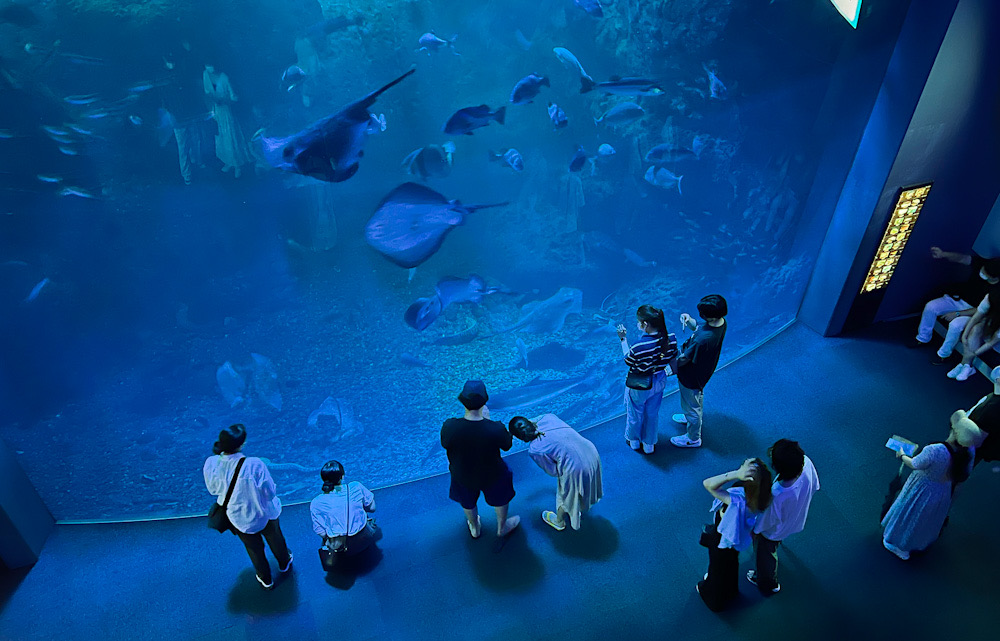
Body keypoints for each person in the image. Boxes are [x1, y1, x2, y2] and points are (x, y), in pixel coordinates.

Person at [881, 411, 982, 560]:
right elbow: (962, 477)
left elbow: (915, 464)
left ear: (954, 432)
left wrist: (902, 455)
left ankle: (897, 544)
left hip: (922, 488)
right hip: (942, 491)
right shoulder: (968, 454)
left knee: (909, 512)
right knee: (923, 518)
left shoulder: (935, 450)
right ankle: (914, 544)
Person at [203, 424, 292, 590]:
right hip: (265, 513)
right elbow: (269, 493)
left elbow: (213, 489)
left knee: (254, 549)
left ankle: (266, 579)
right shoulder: (254, 464)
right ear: (241, 445)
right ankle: (284, 563)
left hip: (239, 517)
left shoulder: (211, 463)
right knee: (276, 539)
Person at [440, 380, 520, 538]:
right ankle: (502, 527)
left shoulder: (450, 426)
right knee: (501, 498)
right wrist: (488, 422)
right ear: (485, 401)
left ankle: (475, 528)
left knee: (467, 501)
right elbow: (507, 445)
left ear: (462, 401)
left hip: (462, 475)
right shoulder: (495, 428)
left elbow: (445, 444)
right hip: (493, 475)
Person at [697, 458, 772, 611]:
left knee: (717, 569)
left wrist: (735, 474)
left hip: (722, 541)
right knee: (731, 565)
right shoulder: (763, 497)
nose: (743, 467)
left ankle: (714, 600)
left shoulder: (737, 501)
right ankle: (731, 591)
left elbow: (708, 484)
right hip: (737, 541)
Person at [508, 414, 603, 531]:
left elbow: (554, 472)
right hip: (590, 451)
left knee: (566, 497)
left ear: (520, 437)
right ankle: (584, 499)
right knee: (586, 479)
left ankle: (559, 521)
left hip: (576, 468)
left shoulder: (535, 449)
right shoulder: (549, 418)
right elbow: (538, 419)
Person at [749, 439, 819, 594]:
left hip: (772, 532)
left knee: (765, 554)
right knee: (778, 539)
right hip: (794, 518)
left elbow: (765, 522)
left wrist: (754, 531)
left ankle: (768, 583)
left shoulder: (778, 493)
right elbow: (815, 485)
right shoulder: (806, 463)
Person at [910, 247, 1000, 365]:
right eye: (983, 270)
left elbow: (982, 311)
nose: (982, 273)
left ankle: (943, 355)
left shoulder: (997, 292)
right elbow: (962, 258)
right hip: (958, 300)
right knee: (931, 307)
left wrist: (958, 314)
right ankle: (923, 338)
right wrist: (943, 254)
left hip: (974, 312)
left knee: (955, 325)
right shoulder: (982, 264)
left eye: (986, 274)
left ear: (994, 278)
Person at [616, 305, 678, 454]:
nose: (637, 324)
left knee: (635, 412)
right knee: (652, 412)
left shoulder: (639, 346)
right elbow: (673, 357)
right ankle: (649, 444)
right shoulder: (671, 338)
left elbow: (628, 360)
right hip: (659, 380)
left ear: (645, 324)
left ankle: (635, 441)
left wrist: (623, 339)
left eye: (638, 321)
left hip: (640, 385)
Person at [671, 294, 728, 448]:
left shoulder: (702, 339)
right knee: (694, 400)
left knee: (692, 403)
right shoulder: (720, 323)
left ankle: (693, 438)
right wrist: (689, 320)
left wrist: (668, 369)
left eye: (702, 314)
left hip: (691, 376)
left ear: (708, 316)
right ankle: (690, 416)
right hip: (702, 370)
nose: (700, 316)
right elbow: (700, 327)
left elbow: (684, 359)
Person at [310, 460, 378, 563]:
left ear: (323, 479)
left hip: (339, 548)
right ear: (342, 476)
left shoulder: (316, 502)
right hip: (364, 540)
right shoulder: (356, 487)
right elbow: (372, 508)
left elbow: (321, 532)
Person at [203, 64, 251, 178]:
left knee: (231, 136)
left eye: (211, 65)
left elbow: (233, 95)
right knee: (222, 138)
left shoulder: (224, 77)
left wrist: (227, 100)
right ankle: (228, 161)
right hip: (216, 112)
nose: (210, 68)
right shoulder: (206, 74)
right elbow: (207, 92)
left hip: (227, 112)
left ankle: (237, 164)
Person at [947, 291, 1000, 381]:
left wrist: (973, 354)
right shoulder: (991, 297)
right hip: (992, 330)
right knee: (976, 328)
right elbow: (975, 318)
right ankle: (966, 365)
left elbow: (991, 343)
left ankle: (965, 364)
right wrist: (964, 336)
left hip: (997, 343)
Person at [967, 365, 1000, 467]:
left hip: (972, 445)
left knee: (959, 469)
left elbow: (977, 438)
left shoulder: (993, 406)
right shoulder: (993, 398)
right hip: (982, 443)